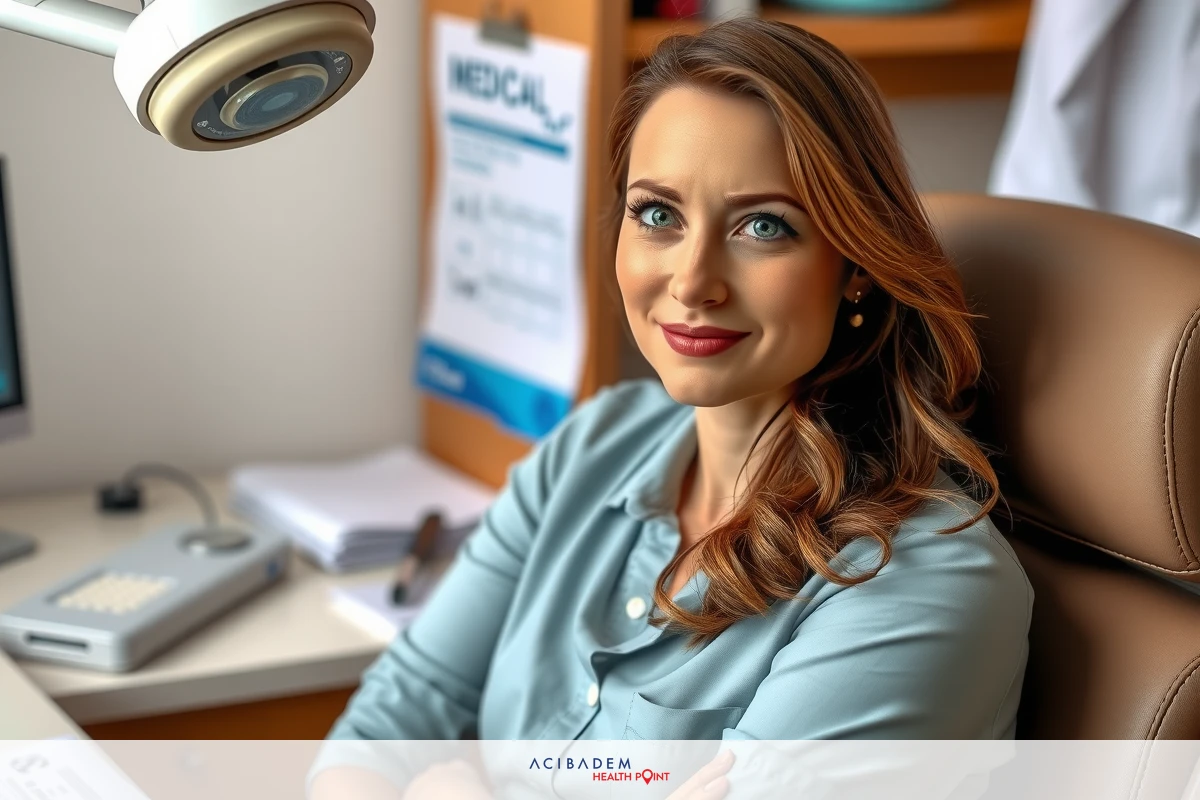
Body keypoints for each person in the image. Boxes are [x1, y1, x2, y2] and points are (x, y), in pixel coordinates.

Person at [310, 14, 1033, 798]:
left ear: (854, 262)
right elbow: (381, 730)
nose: (692, 282)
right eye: (658, 214)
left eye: (764, 226)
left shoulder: (919, 587)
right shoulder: (592, 447)